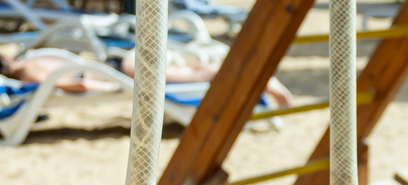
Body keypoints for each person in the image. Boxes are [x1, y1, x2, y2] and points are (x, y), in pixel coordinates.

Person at [0, 53, 293, 107]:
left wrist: (112, 85)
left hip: (119, 72)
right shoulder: (30, 61)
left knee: (200, 73)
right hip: (115, 64)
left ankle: (264, 79)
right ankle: (263, 79)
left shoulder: (27, 72)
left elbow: (77, 84)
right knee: (197, 70)